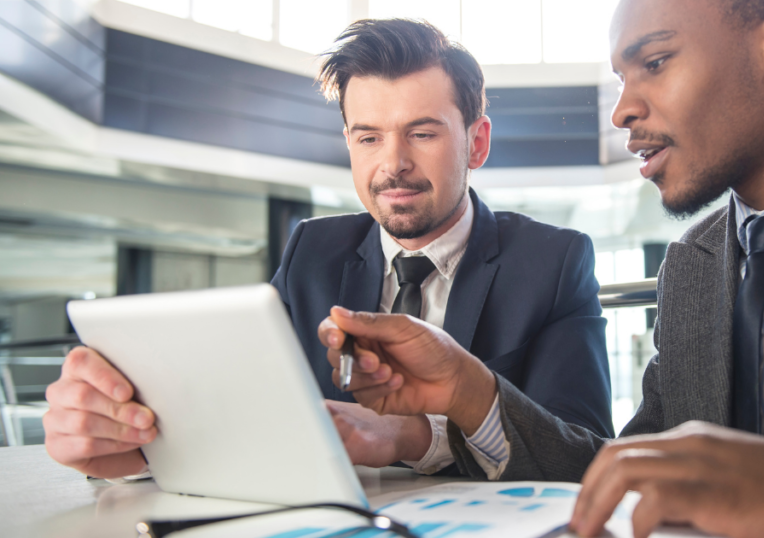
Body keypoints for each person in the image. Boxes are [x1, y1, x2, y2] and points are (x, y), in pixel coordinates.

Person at [320, 0, 764, 537]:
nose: (624, 107)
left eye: (653, 62)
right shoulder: (694, 268)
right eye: (622, 76)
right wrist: (470, 392)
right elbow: (623, 471)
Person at [41, 19, 613, 480]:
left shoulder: (554, 261)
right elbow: (242, 404)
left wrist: (415, 434)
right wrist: (134, 445)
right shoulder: (313, 249)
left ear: (477, 141)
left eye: (423, 132)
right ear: (349, 144)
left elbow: (582, 453)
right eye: (368, 138)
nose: (392, 165)